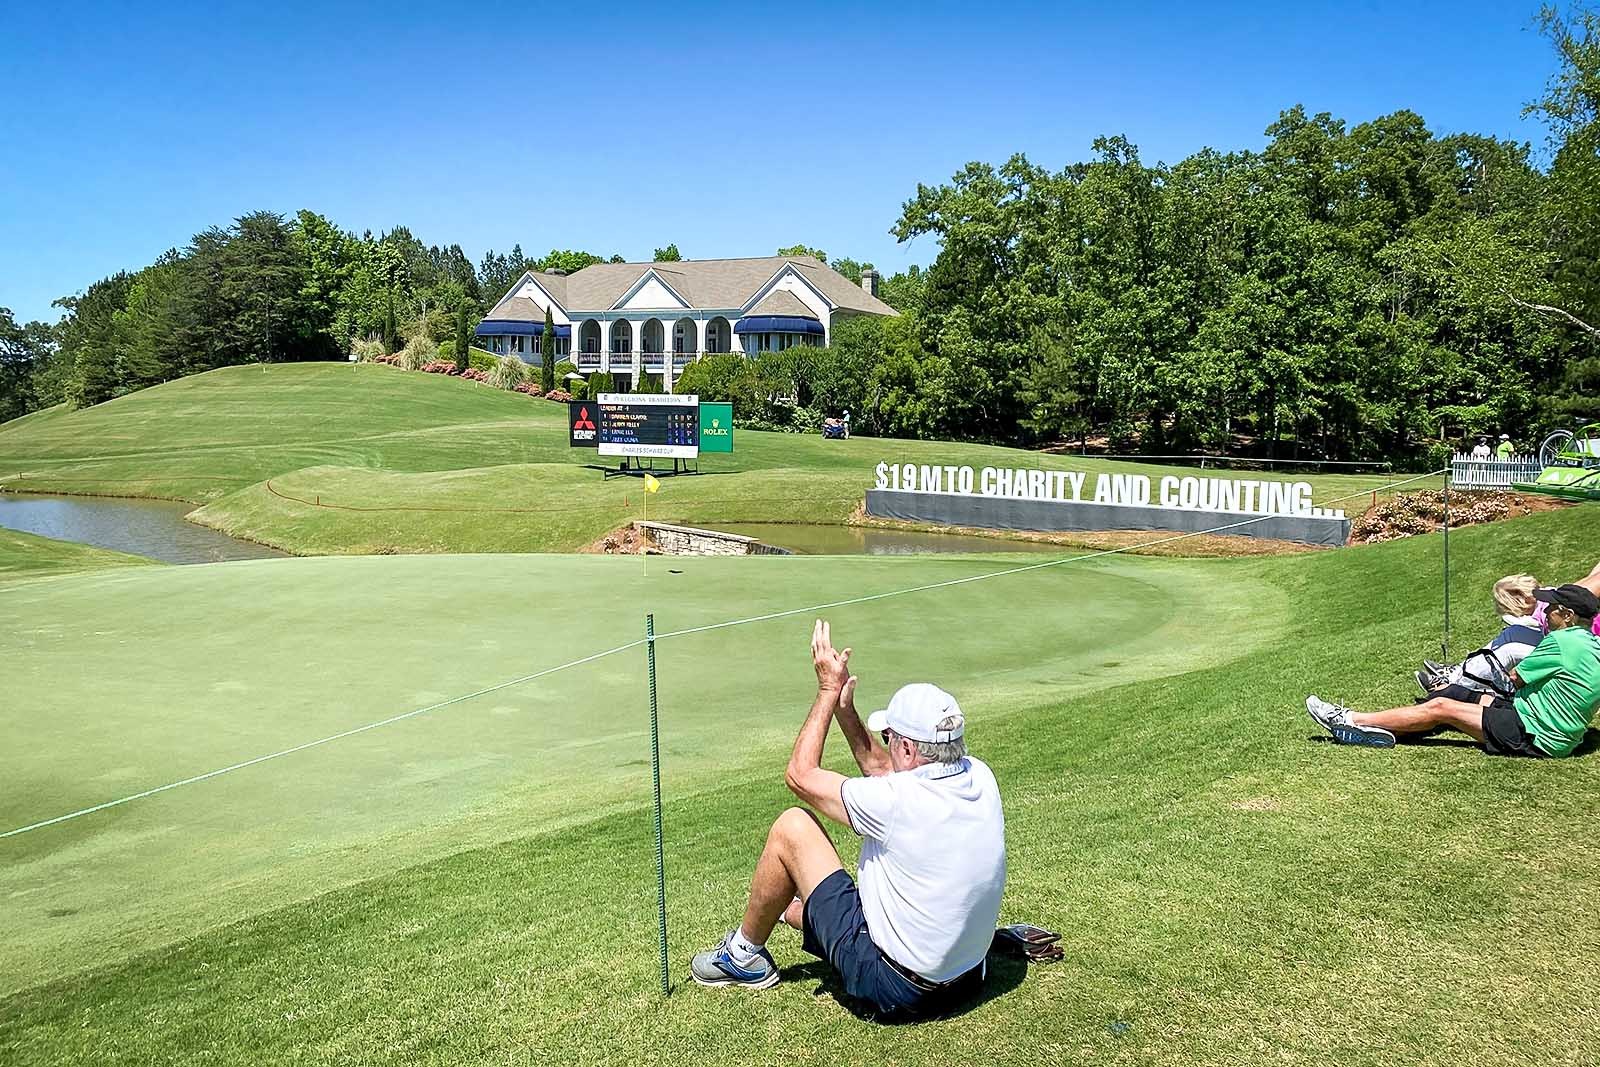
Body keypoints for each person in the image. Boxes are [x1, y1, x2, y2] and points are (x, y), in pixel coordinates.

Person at [690, 620, 1007, 1018]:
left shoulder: (897, 801)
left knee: (793, 826)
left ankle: (741, 957)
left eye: (890, 739)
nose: (887, 746)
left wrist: (826, 691)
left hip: (898, 988)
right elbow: (882, 770)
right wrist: (846, 712)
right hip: (968, 977)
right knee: (795, 907)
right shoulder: (979, 774)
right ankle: (789, 913)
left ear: (908, 749)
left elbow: (800, 775)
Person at [1307, 585, 1600, 756]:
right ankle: (1379, 730)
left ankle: (1348, 720)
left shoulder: (1562, 641)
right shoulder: (1591, 644)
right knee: (1460, 693)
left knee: (1442, 707)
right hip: (1550, 727)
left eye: (1550, 607)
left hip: (1535, 733)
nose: (1544, 612)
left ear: (1567, 615)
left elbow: (1515, 678)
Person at [1416, 575, 1541, 695]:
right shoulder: (1543, 598)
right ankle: (1457, 672)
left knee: (1510, 651)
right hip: (1554, 644)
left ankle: (1454, 687)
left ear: (1523, 599)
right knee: (1514, 631)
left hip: (1558, 653)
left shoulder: (1547, 608)